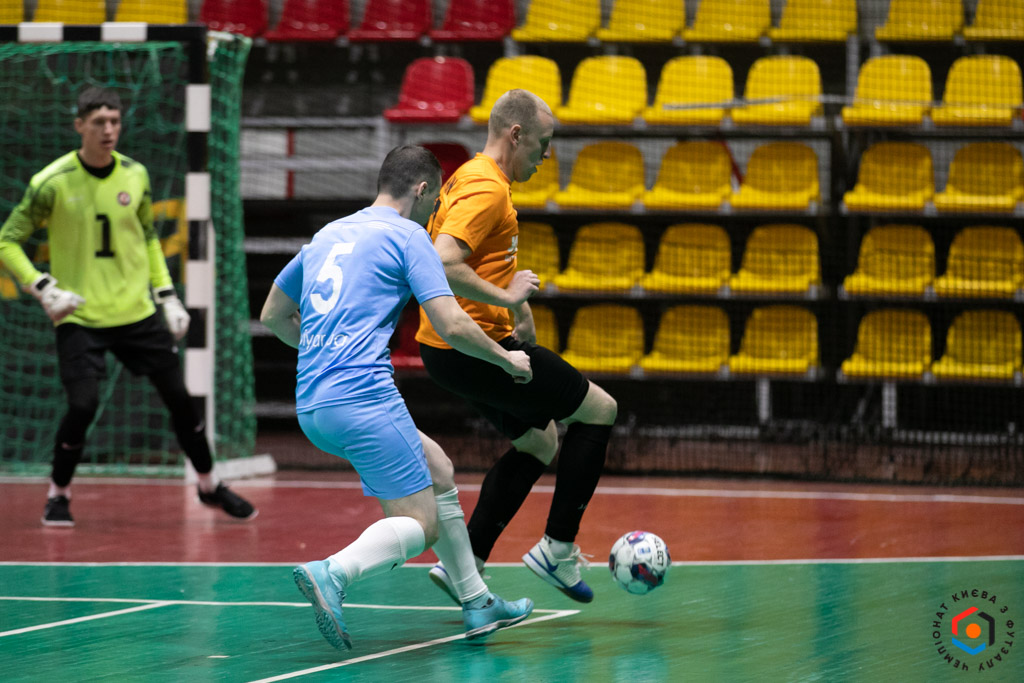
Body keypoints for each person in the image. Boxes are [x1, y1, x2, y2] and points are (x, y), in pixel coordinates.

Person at [260, 145, 535, 651]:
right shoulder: (409, 237)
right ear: (422, 190)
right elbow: (451, 324)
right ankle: (332, 572)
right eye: (436, 201)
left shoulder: (328, 234)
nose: (436, 213)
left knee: (440, 469)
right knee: (420, 525)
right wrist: (506, 359)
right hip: (363, 397)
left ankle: (477, 602)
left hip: (313, 403)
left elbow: (273, 315)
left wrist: (323, 349)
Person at [0, 86, 255, 526]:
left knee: (181, 400)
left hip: (136, 313)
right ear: (79, 125)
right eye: (99, 122)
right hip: (80, 315)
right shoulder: (51, 182)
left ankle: (209, 484)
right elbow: (8, 240)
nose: (109, 130)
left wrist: (167, 296)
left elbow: (149, 237)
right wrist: (43, 287)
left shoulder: (135, 174)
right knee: (82, 406)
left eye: (115, 121)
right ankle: (58, 494)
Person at [416, 89, 618, 604]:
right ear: (516, 134)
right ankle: (557, 549)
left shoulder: (472, 175)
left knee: (539, 442)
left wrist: (513, 306)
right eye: (543, 144)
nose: (546, 156)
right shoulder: (488, 189)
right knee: (599, 410)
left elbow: (477, 260)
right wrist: (506, 298)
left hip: (450, 348)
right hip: (474, 347)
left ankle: (468, 562)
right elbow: (443, 261)